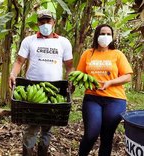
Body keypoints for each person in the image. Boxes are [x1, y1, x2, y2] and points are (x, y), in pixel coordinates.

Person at [9, 9, 74, 156]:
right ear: (38, 23)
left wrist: (71, 80)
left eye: (48, 21)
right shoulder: (29, 40)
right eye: (42, 22)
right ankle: (28, 152)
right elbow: (19, 61)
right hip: (33, 87)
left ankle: (43, 152)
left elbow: (69, 66)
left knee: (47, 127)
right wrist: (13, 74)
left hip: (54, 89)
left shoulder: (63, 42)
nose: (45, 24)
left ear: (54, 22)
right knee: (31, 126)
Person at [77, 24, 133, 156]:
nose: (105, 37)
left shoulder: (117, 54)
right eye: (103, 33)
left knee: (107, 136)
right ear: (97, 35)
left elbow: (128, 76)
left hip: (115, 99)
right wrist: (72, 85)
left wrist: (110, 82)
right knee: (91, 134)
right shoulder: (88, 54)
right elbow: (79, 75)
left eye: (109, 34)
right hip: (92, 97)